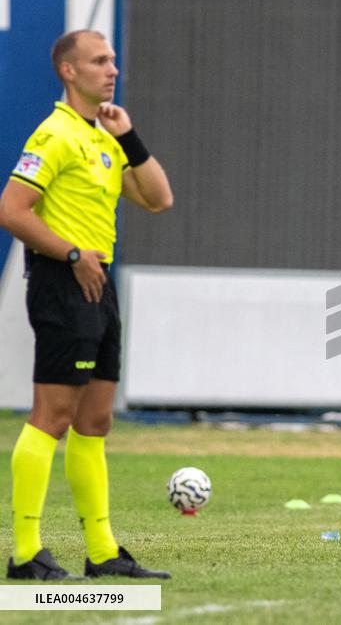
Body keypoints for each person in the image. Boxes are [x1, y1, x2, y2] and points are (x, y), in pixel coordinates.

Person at [0, 30, 174, 580]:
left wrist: (130, 138)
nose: (112, 69)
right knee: (52, 417)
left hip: (98, 284)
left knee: (94, 421)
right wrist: (73, 253)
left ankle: (101, 554)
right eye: (100, 61)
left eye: (114, 60)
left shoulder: (99, 136)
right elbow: (12, 209)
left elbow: (158, 198)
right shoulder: (54, 135)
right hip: (62, 281)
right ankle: (25, 553)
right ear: (69, 72)